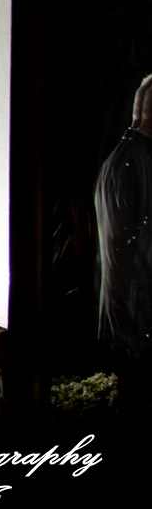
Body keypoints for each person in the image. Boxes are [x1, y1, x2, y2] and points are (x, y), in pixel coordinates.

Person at [95, 73, 152, 409]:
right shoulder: (134, 162)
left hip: (127, 316)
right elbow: (134, 246)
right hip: (136, 321)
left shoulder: (124, 158)